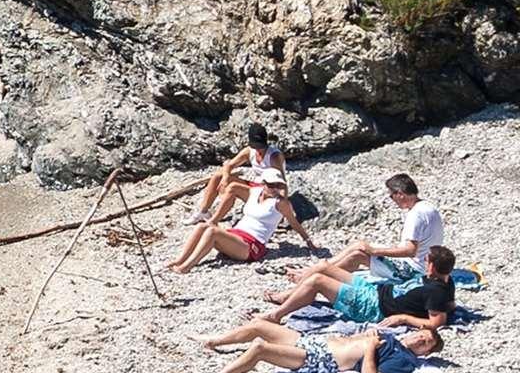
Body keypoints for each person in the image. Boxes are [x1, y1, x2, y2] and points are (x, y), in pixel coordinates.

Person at [227, 242, 458, 337]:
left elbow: (436, 323)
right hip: (374, 292)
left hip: (372, 307)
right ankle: (290, 295)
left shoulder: (437, 291)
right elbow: (450, 305)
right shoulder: (446, 283)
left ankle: (275, 316)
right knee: (325, 266)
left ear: (431, 266)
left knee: (317, 280)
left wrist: (402, 317)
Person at [175, 313, 445, 373]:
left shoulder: (404, 361)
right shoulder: (393, 338)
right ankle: (213, 341)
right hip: (317, 342)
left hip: (320, 361)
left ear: (424, 353)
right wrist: (366, 337)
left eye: (424, 342)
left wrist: (371, 349)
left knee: (259, 348)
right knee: (260, 325)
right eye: (419, 334)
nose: (418, 338)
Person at [287, 171, 450, 296]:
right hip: (423, 264)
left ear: (400, 194)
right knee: (359, 246)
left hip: (414, 270)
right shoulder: (428, 207)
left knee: (357, 255)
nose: (392, 200)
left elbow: (410, 250)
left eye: (392, 196)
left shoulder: (415, 215)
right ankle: (315, 270)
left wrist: (374, 251)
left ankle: (312, 274)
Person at [167, 137, 301, 274]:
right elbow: (229, 166)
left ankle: (187, 267)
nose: (271, 187)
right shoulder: (255, 192)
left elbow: (294, 220)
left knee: (212, 231)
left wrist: (308, 240)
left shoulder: (279, 202)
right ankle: (180, 259)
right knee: (203, 225)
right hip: (238, 234)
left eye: (273, 185)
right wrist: (225, 179)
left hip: (252, 244)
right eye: (268, 184)